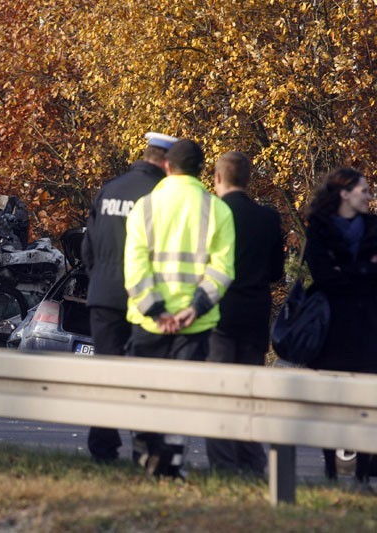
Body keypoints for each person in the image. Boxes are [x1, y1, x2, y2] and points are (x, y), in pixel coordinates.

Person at [123, 139, 235, 478]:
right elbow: (222, 269)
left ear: (167, 166)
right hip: (195, 324)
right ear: (203, 171)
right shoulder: (218, 210)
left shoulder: (144, 207)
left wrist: (157, 311)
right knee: (181, 398)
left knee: (144, 393)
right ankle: (171, 464)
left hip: (149, 321)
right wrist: (194, 309)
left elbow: (135, 267)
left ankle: (145, 456)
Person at [81, 131, 178, 464]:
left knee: (107, 374)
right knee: (146, 376)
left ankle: (103, 448)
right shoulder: (159, 195)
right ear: (167, 162)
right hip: (144, 300)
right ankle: (147, 446)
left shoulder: (110, 189)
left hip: (103, 296)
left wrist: (101, 280)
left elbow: (87, 249)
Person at [205, 151, 285, 476]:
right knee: (248, 396)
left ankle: (224, 468)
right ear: (248, 179)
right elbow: (277, 272)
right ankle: (253, 465)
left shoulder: (211, 214)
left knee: (218, 395)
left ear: (218, 178)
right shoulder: (267, 218)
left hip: (218, 317)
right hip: (254, 317)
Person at [304, 167, 377, 490]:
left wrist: (344, 270)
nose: (369, 195)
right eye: (363, 190)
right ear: (345, 193)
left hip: (368, 327)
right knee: (330, 401)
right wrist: (362, 270)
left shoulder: (374, 227)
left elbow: (337, 274)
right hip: (331, 328)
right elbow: (321, 274)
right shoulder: (319, 229)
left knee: (366, 403)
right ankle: (330, 471)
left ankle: (362, 472)